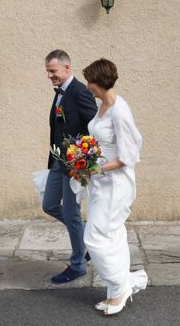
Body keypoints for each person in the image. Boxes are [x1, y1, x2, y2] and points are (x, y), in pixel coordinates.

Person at [82, 58, 147, 316]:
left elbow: (128, 157)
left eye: (90, 82)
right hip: (101, 181)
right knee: (113, 235)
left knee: (95, 237)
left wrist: (97, 168)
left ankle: (121, 285)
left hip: (115, 183)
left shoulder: (120, 111)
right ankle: (115, 292)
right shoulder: (103, 107)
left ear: (101, 83)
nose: (88, 87)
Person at [43, 50, 97, 284]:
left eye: (53, 71)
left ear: (67, 68)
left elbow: (95, 125)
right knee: (49, 205)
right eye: (48, 71)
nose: (50, 75)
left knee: (71, 212)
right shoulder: (61, 92)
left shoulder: (79, 91)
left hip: (74, 164)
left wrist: (83, 158)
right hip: (57, 160)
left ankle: (78, 265)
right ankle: (88, 241)